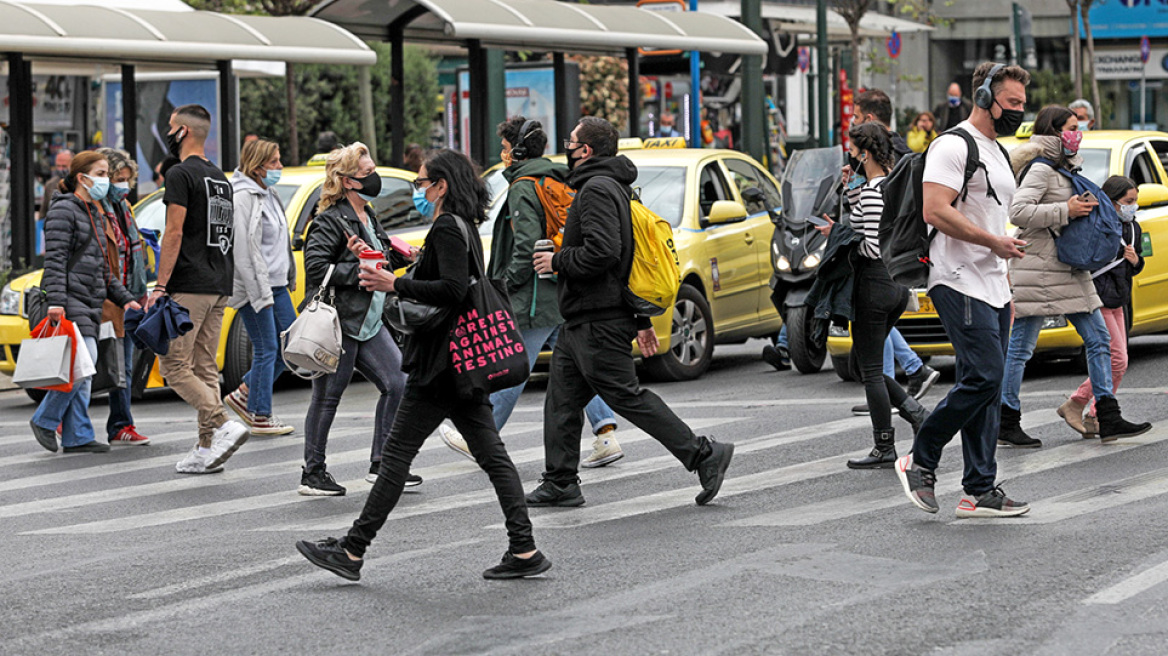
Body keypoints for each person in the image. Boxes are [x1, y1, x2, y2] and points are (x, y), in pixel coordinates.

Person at [296, 148, 552, 581]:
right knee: (492, 456)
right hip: (457, 362)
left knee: (396, 458)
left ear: (441, 185)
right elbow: (451, 279)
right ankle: (524, 548)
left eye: (421, 182)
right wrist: (404, 265)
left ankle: (353, 550)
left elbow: (451, 289)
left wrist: (393, 283)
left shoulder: (449, 227)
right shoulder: (461, 225)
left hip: (440, 364)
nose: (418, 189)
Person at [526, 116, 734, 508]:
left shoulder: (597, 190)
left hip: (598, 317)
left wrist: (557, 261)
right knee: (562, 401)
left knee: (626, 396)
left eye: (571, 142)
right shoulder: (612, 187)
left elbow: (605, 253)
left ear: (585, 151)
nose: (566, 147)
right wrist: (639, 321)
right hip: (586, 317)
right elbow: (628, 258)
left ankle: (703, 453)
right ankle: (560, 481)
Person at [440, 117, 624, 468]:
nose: (503, 154)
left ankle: (481, 434)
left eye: (506, 149)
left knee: (512, 365)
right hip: (560, 290)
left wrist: (504, 286)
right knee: (580, 365)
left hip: (535, 295)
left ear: (518, 151)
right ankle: (605, 432)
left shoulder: (525, 186)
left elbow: (525, 248)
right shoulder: (559, 177)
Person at [895, 62, 1032, 518]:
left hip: (993, 282)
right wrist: (993, 242)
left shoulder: (996, 150)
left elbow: (993, 214)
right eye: (1011, 102)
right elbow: (935, 210)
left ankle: (979, 488)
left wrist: (1002, 264)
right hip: (957, 278)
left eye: (1022, 104)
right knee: (986, 376)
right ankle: (921, 457)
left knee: (988, 387)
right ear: (983, 97)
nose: (1017, 111)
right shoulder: (952, 145)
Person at [1001, 105, 1150, 446]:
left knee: (1099, 341)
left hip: (1068, 267)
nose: (1077, 132)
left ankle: (1106, 416)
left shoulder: (1064, 168)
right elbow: (1018, 211)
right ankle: (1005, 419)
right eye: (1070, 127)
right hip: (1039, 269)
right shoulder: (1040, 168)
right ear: (1053, 131)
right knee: (1021, 349)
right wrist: (1065, 210)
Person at [298, 142, 415, 496]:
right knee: (328, 395)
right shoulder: (329, 220)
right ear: (347, 181)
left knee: (398, 383)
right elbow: (315, 269)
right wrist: (359, 268)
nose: (374, 177)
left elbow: (379, 261)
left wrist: (407, 259)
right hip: (341, 321)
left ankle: (383, 463)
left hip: (368, 319)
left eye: (373, 169)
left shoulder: (369, 214)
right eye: (367, 173)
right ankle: (313, 472)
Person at [814, 123, 931, 469]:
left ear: (864, 153)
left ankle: (884, 445)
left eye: (853, 151)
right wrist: (852, 188)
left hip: (874, 284)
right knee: (873, 367)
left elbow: (870, 244)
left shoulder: (871, 191)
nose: (850, 157)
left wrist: (836, 232)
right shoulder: (892, 184)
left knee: (870, 371)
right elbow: (870, 222)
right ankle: (916, 414)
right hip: (896, 285)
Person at [149, 104, 250, 474]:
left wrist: (160, 285)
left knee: (174, 365)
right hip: (219, 281)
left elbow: (173, 232)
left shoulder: (179, 174)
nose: (169, 133)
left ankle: (223, 424)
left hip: (189, 282)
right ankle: (206, 449)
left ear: (183, 132)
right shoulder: (219, 178)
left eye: (172, 128)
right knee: (206, 366)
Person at [30, 152, 141, 454]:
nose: (106, 179)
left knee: (81, 367)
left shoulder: (91, 210)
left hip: (89, 302)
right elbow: (54, 260)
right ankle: (45, 418)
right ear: (82, 178)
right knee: (85, 363)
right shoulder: (65, 210)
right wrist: (56, 302)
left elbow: (102, 269)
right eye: (102, 173)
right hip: (71, 300)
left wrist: (126, 299)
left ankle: (77, 434)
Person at [222, 138, 297, 436]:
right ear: (257, 166)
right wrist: (259, 293)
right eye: (275, 162)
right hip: (254, 288)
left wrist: (288, 274)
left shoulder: (270, 193)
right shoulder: (242, 197)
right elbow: (244, 251)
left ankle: (245, 392)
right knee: (267, 348)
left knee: (292, 348)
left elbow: (281, 240)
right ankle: (260, 415)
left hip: (277, 286)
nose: (280, 166)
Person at [1061, 176, 1145, 441]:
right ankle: (1077, 403)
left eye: (1135, 202)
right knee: (1117, 359)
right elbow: (1085, 259)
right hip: (1096, 298)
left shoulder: (1133, 228)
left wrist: (1135, 261)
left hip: (1118, 299)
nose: (1132, 207)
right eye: (1128, 202)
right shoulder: (1096, 226)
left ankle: (1095, 415)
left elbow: (1136, 264)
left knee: (1120, 361)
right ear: (1111, 202)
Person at [95, 147, 151, 446]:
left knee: (123, 367)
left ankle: (120, 425)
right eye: (118, 178)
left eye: (127, 180)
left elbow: (134, 252)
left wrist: (140, 293)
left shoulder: (125, 209)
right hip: (106, 300)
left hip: (128, 297)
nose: (123, 186)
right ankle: (61, 417)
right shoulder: (94, 209)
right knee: (93, 365)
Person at [41, 149, 73, 217]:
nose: (61, 169)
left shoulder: (78, 183)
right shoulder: (50, 184)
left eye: (64, 166)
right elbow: (43, 211)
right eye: (58, 166)